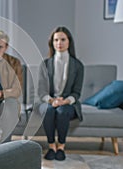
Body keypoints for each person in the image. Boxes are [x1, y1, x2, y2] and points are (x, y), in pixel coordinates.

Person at [37, 26, 84, 161]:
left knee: (62, 111)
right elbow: (41, 91)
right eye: (56, 40)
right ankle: (52, 146)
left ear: (69, 42)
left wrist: (64, 101)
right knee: (49, 111)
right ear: (52, 43)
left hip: (68, 103)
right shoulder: (45, 64)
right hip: (49, 101)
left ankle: (61, 147)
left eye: (63, 39)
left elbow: (76, 92)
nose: (59, 43)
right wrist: (52, 101)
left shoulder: (78, 65)